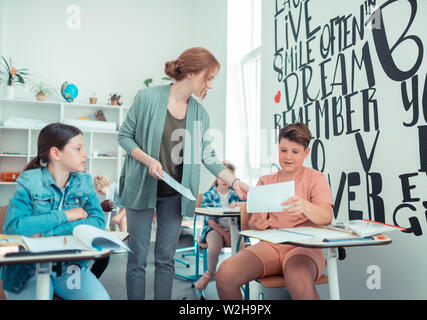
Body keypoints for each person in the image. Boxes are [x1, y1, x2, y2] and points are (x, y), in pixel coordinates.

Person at [118, 47, 249, 300]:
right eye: (208, 78)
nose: (210, 85)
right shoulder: (147, 98)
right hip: (141, 188)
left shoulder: (201, 114)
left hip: (174, 195)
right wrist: (148, 161)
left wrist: (235, 182)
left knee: (166, 260)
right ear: (191, 73)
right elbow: (124, 136)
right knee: (137, 258)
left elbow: (208, 156)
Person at [216, 122, 334, 300]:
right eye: (283, 150)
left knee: (298, 277)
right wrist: (257, 226)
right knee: (225, 273)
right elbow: (253, 225)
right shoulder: (266, 181)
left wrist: (305, 206)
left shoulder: (316, 179)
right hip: (270, 247)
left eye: (295, 152)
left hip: (304, 249)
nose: (288, 157)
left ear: (306, 153)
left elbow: (326, 217)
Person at [0, 123, 110, 300]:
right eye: (78, 148)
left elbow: (98, 222)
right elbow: (14, 228)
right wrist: (66, 215)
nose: (85, 154)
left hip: (69, 269)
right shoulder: (30, 180)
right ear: (56, 153)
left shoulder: (84, 181)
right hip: (29, 269)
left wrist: (45, 232)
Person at [195, 161, 244, 291]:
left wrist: (241, 204)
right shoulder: (209, 195)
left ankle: (236, 277)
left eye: (229, 177)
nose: (224, 180)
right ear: (217, 177)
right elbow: (210, 221)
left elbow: (246, 208)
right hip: (214, 228)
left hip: (233, 227)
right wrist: (225, 235)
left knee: (241, 247)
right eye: (222, 176)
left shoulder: (236, 195)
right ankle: (209, 273)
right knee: (213, 248)